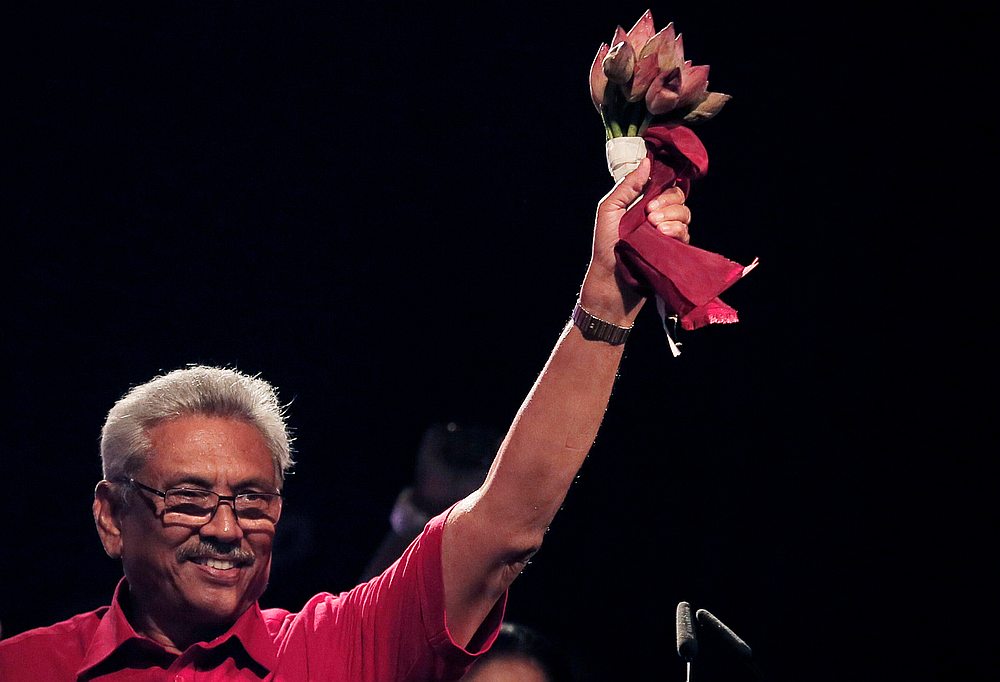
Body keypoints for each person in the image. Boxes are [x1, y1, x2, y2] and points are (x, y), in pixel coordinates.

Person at [0, 156, 692, 680]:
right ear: (111, 518)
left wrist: (604, 304)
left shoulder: (336, 650)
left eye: (253, 501)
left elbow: (507, 524)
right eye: (187, 500)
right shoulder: (26, 668)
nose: (225, 529)